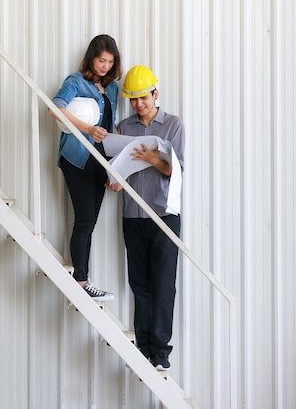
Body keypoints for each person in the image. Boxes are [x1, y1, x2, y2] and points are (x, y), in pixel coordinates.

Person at [109, 65, 185, 371]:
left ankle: (161, 349)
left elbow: (175, 169)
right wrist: (113, 178)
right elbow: (117, 165)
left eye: (143, 97)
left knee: (163, 284)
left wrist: (153, 158)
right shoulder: (124, 128)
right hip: (132, 215)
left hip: (164, 215)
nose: (139, 104)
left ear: (156, 94)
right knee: (139, 283)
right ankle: (143, 346)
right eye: (133, 99)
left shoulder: (174, 126)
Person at [50, 35, 122, 301]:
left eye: (110, 62)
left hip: (101, 158)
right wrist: (88, 129)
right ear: (91, 57)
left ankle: (83, 279)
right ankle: (80, 280)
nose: (105, 66)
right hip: (78, 157)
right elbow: (55, 109)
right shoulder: (75, 81)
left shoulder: (112, 88)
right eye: (101, 60)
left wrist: (114, 166)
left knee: (89, 222)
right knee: (83, 220)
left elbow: (111, 126)